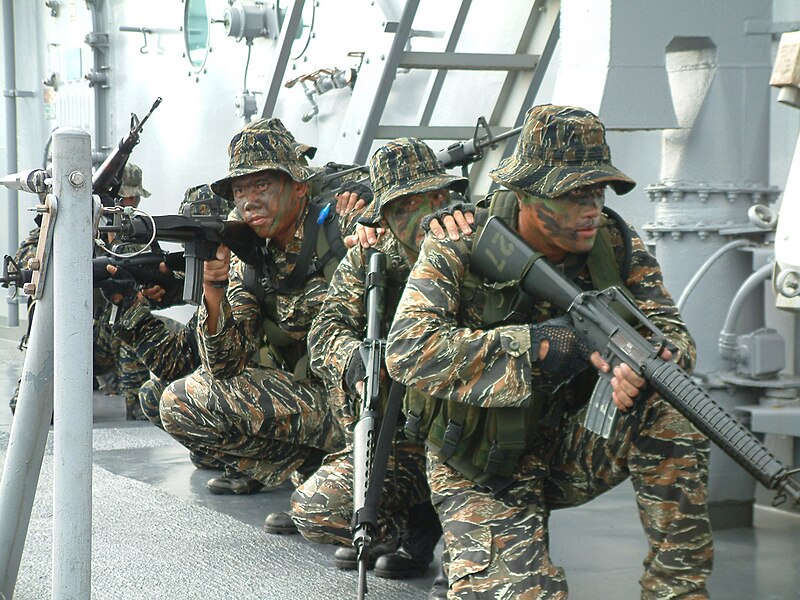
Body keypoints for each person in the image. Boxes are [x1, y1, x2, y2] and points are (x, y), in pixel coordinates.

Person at [385, 105, 713, 599]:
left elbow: (670, 332)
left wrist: (650, 363)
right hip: (480, 459)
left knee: (676, 403)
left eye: (597, 192)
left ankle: (676, 592)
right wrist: (537, 346)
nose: (592, 209)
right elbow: (408, 350)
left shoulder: (615, 245)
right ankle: (469, 560)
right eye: (573, 195)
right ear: (523, 195)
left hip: (574, 444)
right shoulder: (459, 244)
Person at [158, 118, 362, 532]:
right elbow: (225, 366)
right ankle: (314, 474)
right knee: (179, 403)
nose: (249, 201)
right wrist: (213, 288)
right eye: (240, 190)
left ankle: (386, 500)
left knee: (324, 514)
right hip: (319, 404)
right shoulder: (247, 253)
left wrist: (369, 197)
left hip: (371, 401)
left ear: (299, 186)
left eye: (263, 186)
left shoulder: (344, 224)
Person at [292, 138, 464, 593]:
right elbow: (326, 327)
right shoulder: (370, 261)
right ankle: (406, 526)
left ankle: (462, 546)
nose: (428, 213)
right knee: (316, 509)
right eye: (408, 204)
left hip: (470, 436)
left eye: (437, 197)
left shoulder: (474, 248)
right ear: (384, 217)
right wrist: (354, 358)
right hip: (402, 431)